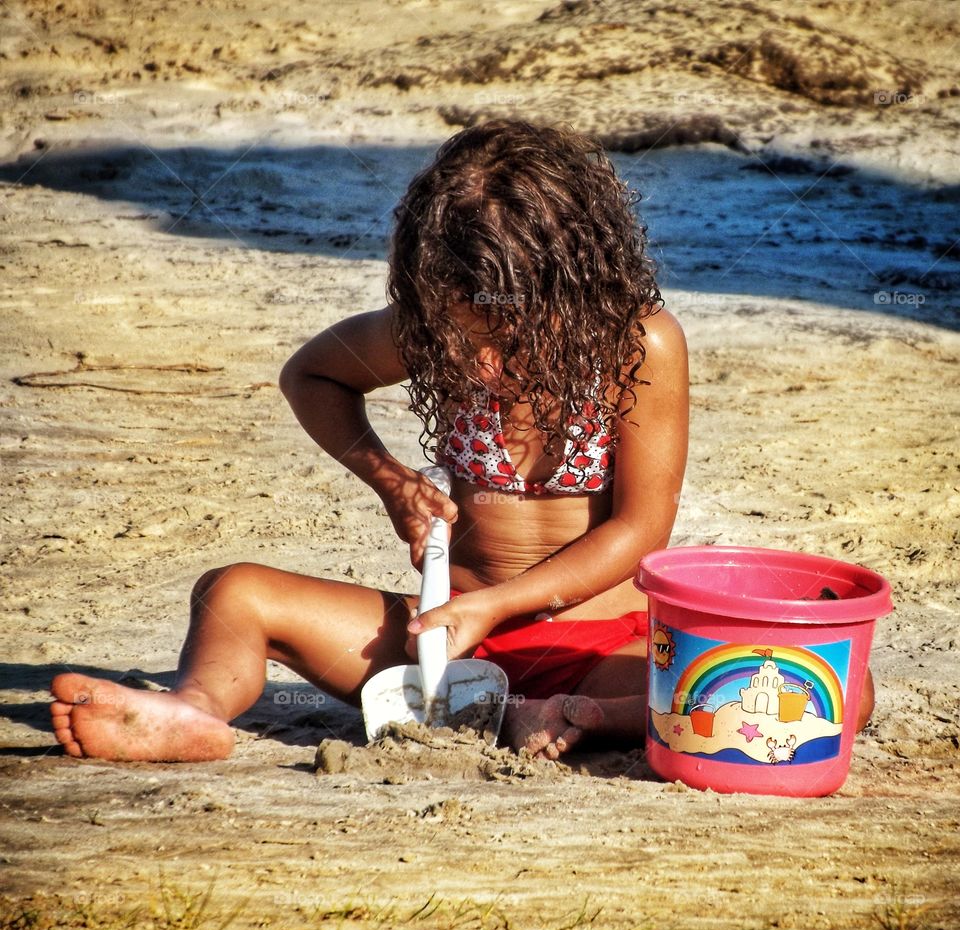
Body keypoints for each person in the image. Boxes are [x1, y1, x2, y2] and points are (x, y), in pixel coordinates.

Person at [49, 120, 873, 763]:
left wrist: (495, 607)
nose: (480, 360)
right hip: (441, 650)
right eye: (458, 334)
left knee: (818, 687)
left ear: (573, 288)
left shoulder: (638, 346)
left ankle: (581, 715)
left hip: (596, 641)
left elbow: (640, 531)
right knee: (235, 593)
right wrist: (391, 481)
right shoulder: (435, 330)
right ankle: (196, 710)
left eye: (507, 340)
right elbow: (313, 376)